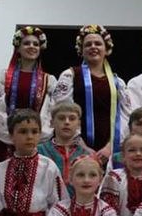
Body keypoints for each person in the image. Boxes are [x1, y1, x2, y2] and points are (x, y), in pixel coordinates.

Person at [53, 24, 131, 164]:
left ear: (106, 49)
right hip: (75, 147)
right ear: (81, 50)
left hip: (111, 151)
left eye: (98, 44)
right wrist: (81, 146)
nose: (93, 47)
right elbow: (61, 111)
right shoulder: (70, 75)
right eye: (88, 44)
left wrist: (110, 147)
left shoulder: (118, 82)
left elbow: (126, 115)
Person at [0, 26, 56, 161]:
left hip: (34, 142)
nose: (32, 46)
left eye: (36, 44)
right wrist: (13, 135)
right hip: (4, 140)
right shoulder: (3, 76)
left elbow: (50, 112)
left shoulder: (49, 80)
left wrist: (34, 135)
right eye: (26, 43)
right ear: (18, 48)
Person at [37, 102, 90, 192]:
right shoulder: (39, 151)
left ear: (78, 124)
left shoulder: (86, 154)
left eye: (72, 119)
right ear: (52, 123)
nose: (67, 122)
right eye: (61, 118)